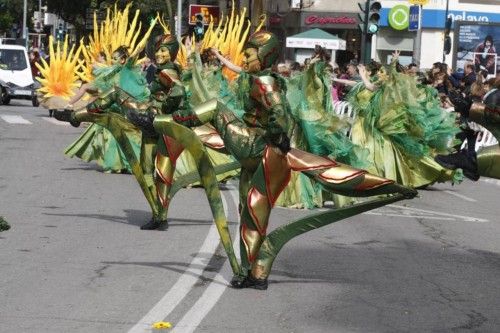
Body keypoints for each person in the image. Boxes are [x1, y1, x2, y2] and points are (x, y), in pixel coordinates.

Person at [149, 31, 417, 289]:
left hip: (264, 150)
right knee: (250, 212)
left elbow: (280, 112)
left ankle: (181, 122)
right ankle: (255, 271)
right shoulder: (257, 78)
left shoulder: (264, 82)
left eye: (250, 55)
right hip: (259, 151)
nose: (244, 59)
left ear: (264, 57)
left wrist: (275, 136)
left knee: (252, 206)